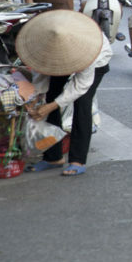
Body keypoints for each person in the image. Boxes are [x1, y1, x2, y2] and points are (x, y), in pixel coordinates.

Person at [21, 10, 112, 177]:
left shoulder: (88, 48)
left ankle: (78, 159)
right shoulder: (44, 43)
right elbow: (41, 73)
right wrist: (36, 99)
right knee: (51, 96)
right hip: (59, 54)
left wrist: (51, 107)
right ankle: (53, 157)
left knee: (82, 103)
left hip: (96, 60)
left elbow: (80, 87)